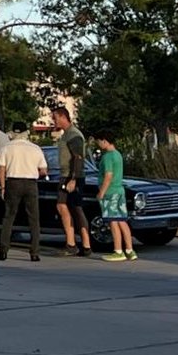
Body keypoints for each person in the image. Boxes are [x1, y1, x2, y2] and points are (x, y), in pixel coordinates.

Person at [0, 120, 45, 262]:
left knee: (9, 217)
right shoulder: (35, 148)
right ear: (26, 133)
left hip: (13, 182)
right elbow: (43, 170)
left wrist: (2, 187)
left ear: (12, 133)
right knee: (33, 218)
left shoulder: (6, 148)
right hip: (30, 183)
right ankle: (34, 252)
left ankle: (3, 251)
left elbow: (1, 169)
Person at [51, 104, 92, 256]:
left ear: (63, 117)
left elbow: (78, 157)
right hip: (65, 175)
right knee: (63, 206)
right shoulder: (65, 134)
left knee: (76, 208)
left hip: (73, 176)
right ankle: (72, 243)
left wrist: (73, 179)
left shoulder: (74, 135)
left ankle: (85, 244)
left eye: (55, 118)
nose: (54, 121)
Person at [94, 129, 137, 262]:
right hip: (119, 190)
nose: (98, 144)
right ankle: (129, 250)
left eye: (98, 142)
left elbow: (108, 175)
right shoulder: (117, 154)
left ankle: (118, 250)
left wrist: (101, 192)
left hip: (110, 192)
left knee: (112, 221)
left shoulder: (107, 157)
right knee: (122, 220)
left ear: (104, 141)